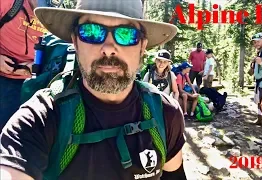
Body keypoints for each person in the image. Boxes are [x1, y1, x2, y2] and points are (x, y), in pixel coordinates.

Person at [0, 0, 187, 180]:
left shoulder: (165, 113)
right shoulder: (40, 119)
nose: (108, 49)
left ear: (142, 46)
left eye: (126, 34)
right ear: (75, 41)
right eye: (91, 32)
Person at [0, 0, 48, 129]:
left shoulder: (56, 11)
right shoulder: (9, 3)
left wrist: (38, 67)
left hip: (36, 79)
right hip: (4, 75)